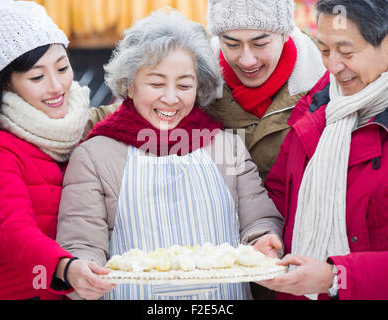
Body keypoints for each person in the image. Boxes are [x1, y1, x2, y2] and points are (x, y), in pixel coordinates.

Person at [56, 9, 284, 300]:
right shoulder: (95, 155)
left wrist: (263, 240)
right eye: (156, 83)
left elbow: (258, 219)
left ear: (199, 87)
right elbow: (82, 242)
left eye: (185, 85)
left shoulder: (226, 146)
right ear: (129, 85)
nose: (171, 97)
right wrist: (82, 271)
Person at [261, 0, 388, 300]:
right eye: (324, 50)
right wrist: (266, 237)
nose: (332, 66)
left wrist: (337, 277)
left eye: (347, 52)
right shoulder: (320, 101)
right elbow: (280, 194)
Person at [0, 0, 114, 300]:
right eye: (37, 77)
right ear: (7, 83)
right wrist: (65, 268)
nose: (57, 86)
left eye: (62, 68)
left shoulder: (75, 131)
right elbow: (11, 229)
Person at [204, 0, 326, 182]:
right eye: (232, 45)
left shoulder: (324, 91)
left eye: (260, 44)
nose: (247, 61)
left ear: (285, 34)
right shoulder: (197, 89)